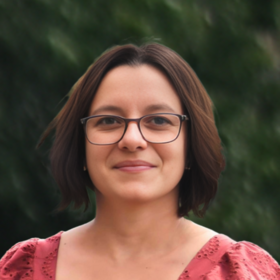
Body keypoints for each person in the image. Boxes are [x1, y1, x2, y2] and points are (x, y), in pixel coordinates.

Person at [0, 43, 279, 280]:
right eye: (108, 121)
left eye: (158, 121)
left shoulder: (240, 272)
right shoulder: (21, 270)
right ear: (80, 145)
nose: (132, 139)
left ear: (191, 146)